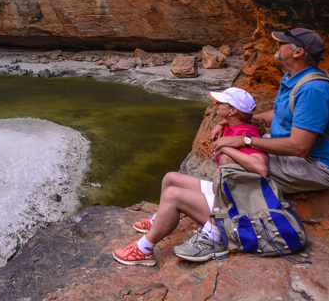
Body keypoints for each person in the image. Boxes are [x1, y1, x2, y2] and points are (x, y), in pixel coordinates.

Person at [113, 87, 268, 266]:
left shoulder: (245, 134)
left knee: (172, 195)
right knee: (170, 178)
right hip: (226, 194)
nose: (216, 103)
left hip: (235, 209)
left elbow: (261, 168)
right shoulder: (233, 126)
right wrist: (222, 125)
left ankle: (144, 249)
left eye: (221, 102)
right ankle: (159, 220)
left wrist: (225, 147)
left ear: (233, 110)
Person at [212, 28, 329, 194]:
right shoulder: (293, 78)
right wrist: (238, 119)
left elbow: (299, 147)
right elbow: (279, 114)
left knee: (232, 158)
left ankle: (235, 214)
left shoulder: (312, 89)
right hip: (303, 154)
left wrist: (245, 140)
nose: (277, 44)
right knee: (232, 148)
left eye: (283, 43)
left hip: (322, 166)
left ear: (298, 52)